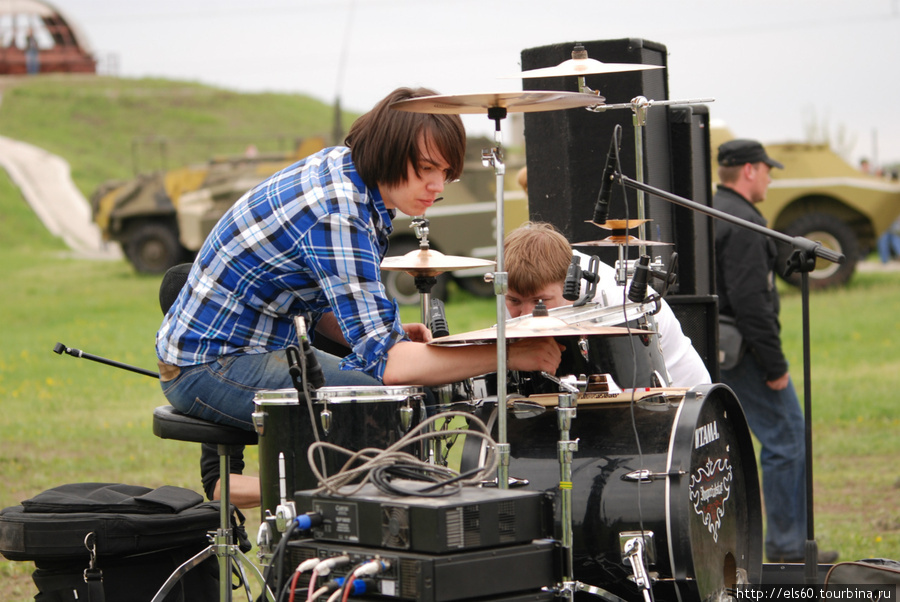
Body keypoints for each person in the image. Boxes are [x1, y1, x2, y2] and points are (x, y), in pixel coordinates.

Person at [157, 87, 562, 503]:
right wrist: (508, 353)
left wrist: (376, 333)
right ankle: (330, 532)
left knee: (390, 400)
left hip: (250, 344)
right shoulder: (340, 212)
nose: (437, 185)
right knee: (387, 411)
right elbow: (391, 365)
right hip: (209, 365)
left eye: (446, 172)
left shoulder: (351, 173)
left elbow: (315, 302)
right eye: (426, 168)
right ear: (388, 149)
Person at [713, 138, 837, 564]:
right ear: (749, 170)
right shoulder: (746, 222)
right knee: (787, 436)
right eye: (767, 169)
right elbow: (752, 304)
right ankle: (787, 546)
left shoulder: (717, 210)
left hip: (722, 347)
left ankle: (780, 541)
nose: (769, 176)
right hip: (746, 350)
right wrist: (775, 365)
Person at [503, 221, 711, 388]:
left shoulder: (619, 300)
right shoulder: (513, 286)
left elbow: (630, 392)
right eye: (514, 301)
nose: (527, 314)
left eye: (540, 302)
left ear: (568, 284)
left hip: (681, 401)